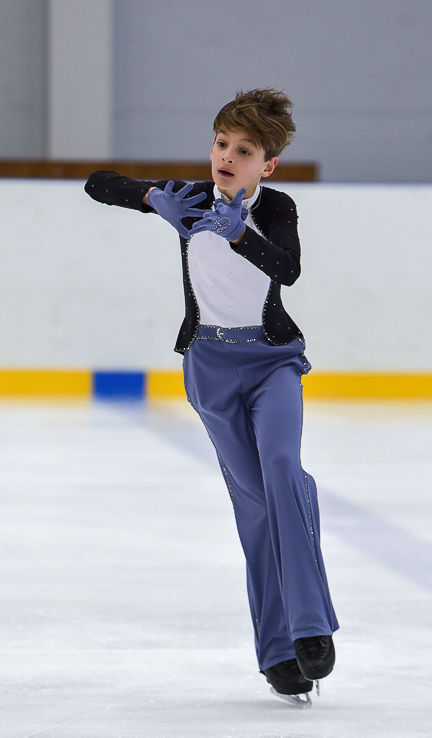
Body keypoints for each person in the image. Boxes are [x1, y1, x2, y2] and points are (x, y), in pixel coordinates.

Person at [85, 88, 338, 704]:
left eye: (244, 150)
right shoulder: (191, 197)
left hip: (272, 362)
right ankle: (278, 652)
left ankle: (309, 628)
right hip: (210, 367)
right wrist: (150, 199)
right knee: (254, 505)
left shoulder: (276, 206)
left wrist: (238, 236)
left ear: (266, 165)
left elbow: (288, 268)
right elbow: (98, 182)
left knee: (282, 471)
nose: (227, 156)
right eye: (221, 143)